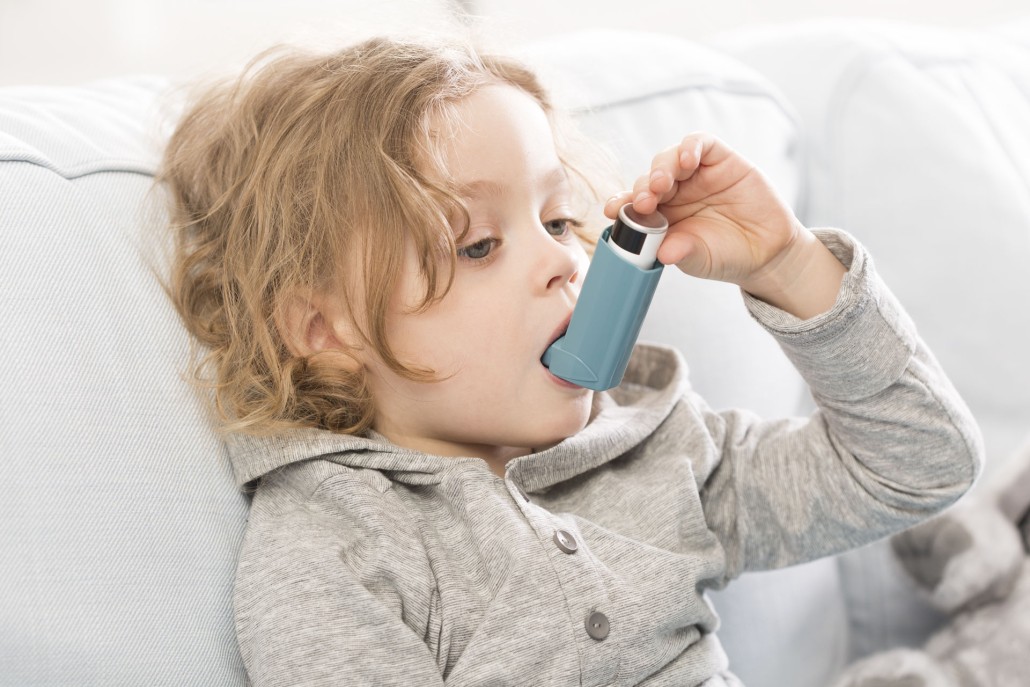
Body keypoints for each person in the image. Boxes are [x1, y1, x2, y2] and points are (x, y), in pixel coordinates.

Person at [159, 35, 983, 686]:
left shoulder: (658, 450)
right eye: (479, 245)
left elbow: (922, 464)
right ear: (324, 330)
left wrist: (791, 267)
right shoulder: (335, 549)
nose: (563, 260)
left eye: (558, 221)